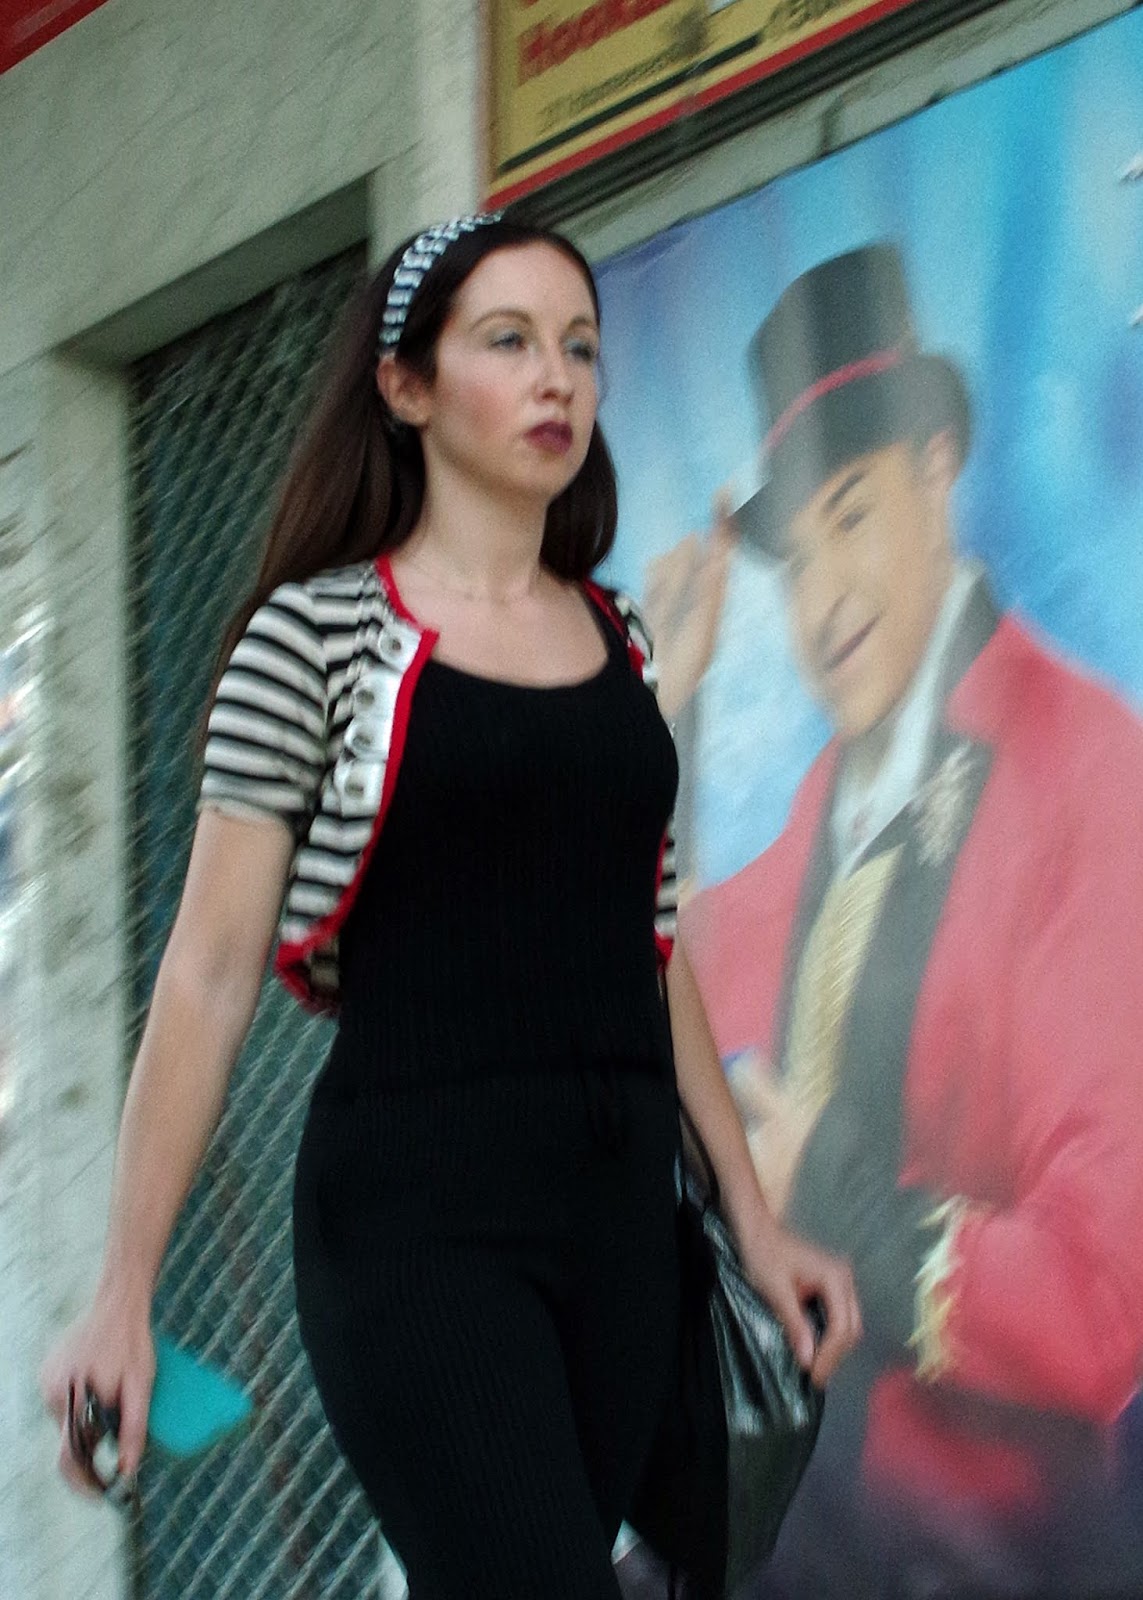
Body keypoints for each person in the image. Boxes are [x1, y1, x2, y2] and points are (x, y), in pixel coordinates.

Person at [39, 214, 860, 1600]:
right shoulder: (310, 640)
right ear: (407, 385)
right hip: (418, 1225)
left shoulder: (620, 639)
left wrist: (752, 1221)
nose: (557, 378)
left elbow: (649, 946)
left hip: (621, 1228)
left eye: (580, 348)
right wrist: (124, 1291)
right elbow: (208, 973)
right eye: (509, 341)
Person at [653, 243, 1143, 1595]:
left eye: (853, 516)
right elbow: (659, 987)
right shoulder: (833, 798)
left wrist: (836, 1194)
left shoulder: (1090, 772)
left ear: (938, 472)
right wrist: (668, 718)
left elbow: (1103, 1302)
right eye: (796, 560)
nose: (823, 608)